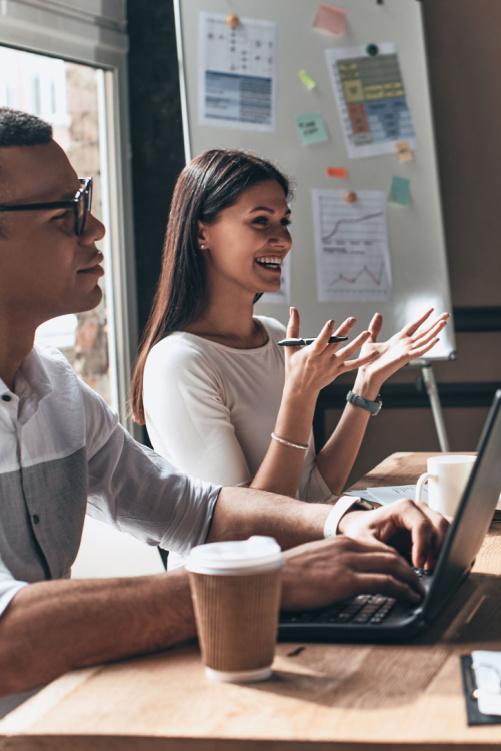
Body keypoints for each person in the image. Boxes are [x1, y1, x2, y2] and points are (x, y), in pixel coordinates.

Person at [0, 108, 449, 708]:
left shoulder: (56, 389)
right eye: (68, 214)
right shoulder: (177, 358)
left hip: (56, 716)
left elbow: (195, 510)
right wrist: (265, 584)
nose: (98, 229)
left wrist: (342, 522)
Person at [130, 149, 447, 501]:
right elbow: (244, 527)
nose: (282, 240)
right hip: (251, 557)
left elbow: (312, 491)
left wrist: (367, 385)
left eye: (284, 222)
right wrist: (299, 396)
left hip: (306, 552)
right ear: (202, 233)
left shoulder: (277, 337)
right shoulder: (179, 363)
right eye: (261, 221)